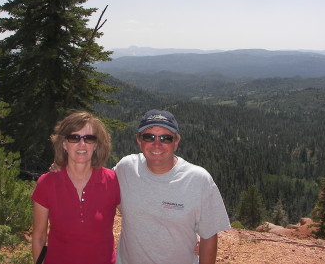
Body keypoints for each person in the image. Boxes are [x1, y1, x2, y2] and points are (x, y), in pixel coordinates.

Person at [114, 109, 230, 264]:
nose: (157, 144)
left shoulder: (198, 179)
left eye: (166, 138)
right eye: (149, 137)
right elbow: (99, 188)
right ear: (139, 141)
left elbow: (209, 235)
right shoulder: (126, 168)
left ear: (176, 143)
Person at [31, 111, 120, 264]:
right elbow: (39, 237)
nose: (82, 144)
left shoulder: (112, 180)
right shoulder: (47, 183)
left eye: (89, 138)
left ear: (96, 144)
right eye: (74, 138)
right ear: (64, 144)